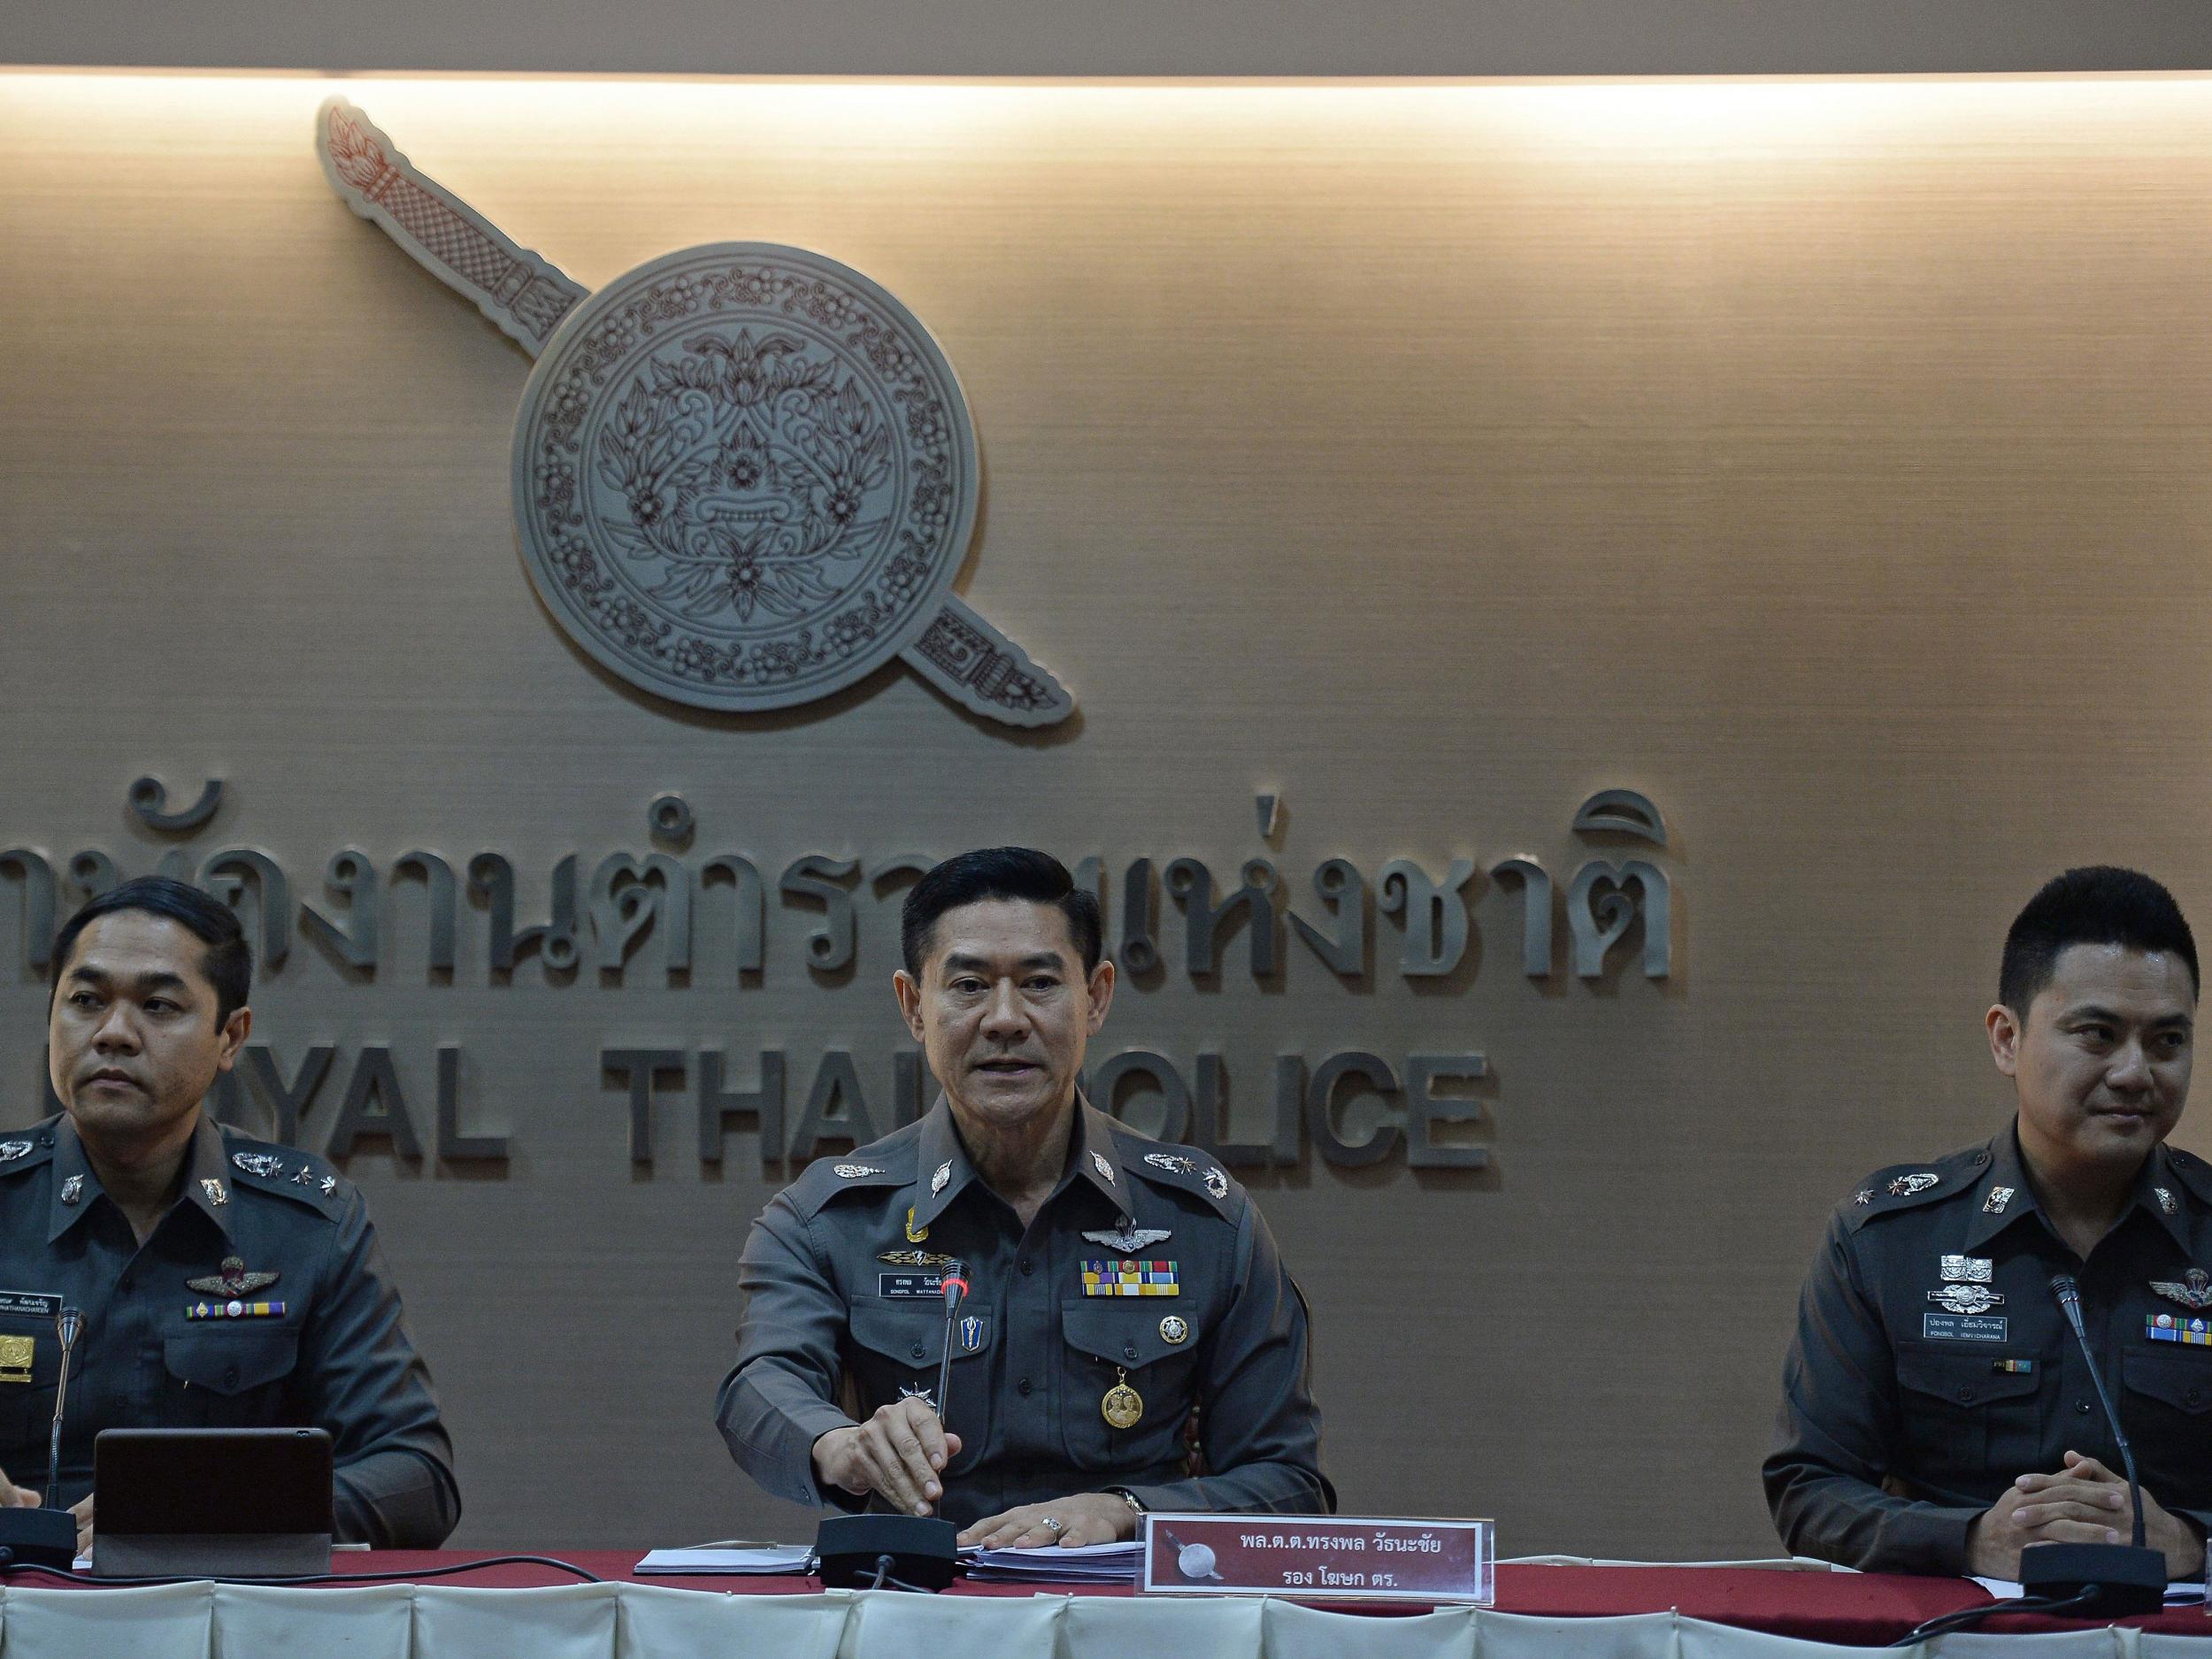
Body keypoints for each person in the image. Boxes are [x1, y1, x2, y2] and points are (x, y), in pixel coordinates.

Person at [718, 847, 1332, 1546]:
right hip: (918, 1615)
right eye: (970, 985)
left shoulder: (1203, 1220)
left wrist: (1130, 1508)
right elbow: (758, 1387)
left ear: (1095, 997)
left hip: (1130, 1619)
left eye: (1039, 982)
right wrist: (839, 1445)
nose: (1005, 1019)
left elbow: (1289, 1484)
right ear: (914, 1006)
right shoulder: (831, 1219)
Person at [1767, 865, 2212, 1578]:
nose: (2135, 1072)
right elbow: (1808, 1489)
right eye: (2097, 1033)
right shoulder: (1891, 1240)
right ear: (2007, 1039)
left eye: (2166, 1041)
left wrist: (2196, 1545)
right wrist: (1972, 1539)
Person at [0, 877, 458, 1553]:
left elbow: (417, 1477)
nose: (114, 1033)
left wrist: (212, 1507)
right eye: (86, 1000)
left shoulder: (304, 1225)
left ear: (230, 1036)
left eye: (158, 1005)